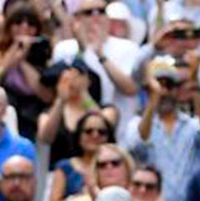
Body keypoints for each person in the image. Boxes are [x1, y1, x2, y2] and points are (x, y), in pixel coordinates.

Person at [126, 56, 200, 201]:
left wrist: (195, 85)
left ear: (177, 90)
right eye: (158, 85)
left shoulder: (192, 125)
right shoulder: (136, 124)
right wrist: (153, 99)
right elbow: (138, 145)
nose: (163, 91)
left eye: (169, 86)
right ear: (147, 90)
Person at [51, 0, 140, 136]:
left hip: (119, 133)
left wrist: (101, 55)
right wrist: (82, 47)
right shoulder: (64, 48)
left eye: (101, 11)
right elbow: (63, 90)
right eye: (89, 12)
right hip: (77, 134)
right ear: (77, 18)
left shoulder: (128, 47)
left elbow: (130, 89)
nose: (96, 16)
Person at [0, 2, 52, 140]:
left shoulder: (45, 60)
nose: (24, 27)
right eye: (18, 22)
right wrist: (9, 61)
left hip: (32, 121)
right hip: (2, 117)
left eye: (31, 24)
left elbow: (46, 96)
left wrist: (23, 62)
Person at [48, 111, 115, 201]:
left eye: (101, 132)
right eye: (88, 131)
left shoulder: (115, 166)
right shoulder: (65, 167)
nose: (95, 135)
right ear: (79, 136)